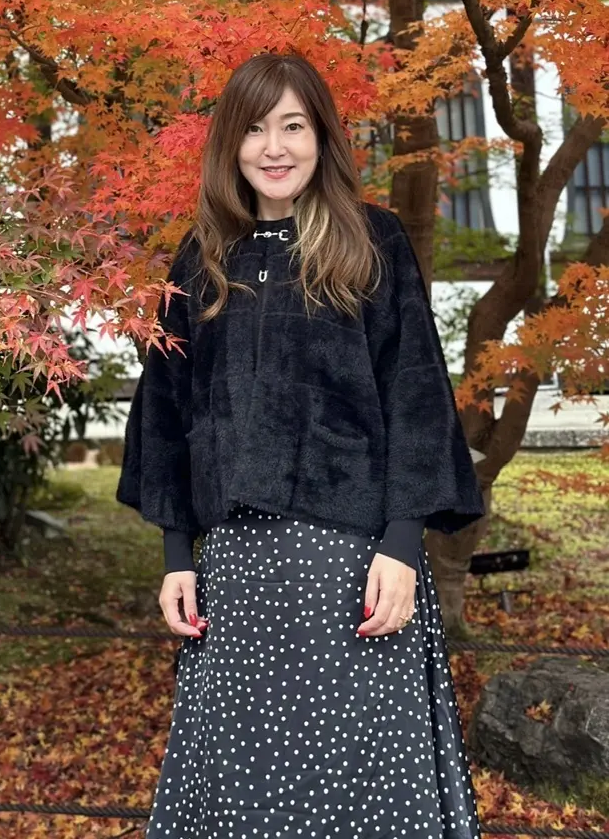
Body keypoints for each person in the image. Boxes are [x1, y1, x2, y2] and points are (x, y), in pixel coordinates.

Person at [116, 50, 486, 839]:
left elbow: (415, 397)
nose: (274, 147)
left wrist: (401, 543)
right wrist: (178, 554)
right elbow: (168, 414)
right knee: (241, 786)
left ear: (322, 137)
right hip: (237, 576)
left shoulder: (370, 242)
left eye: (293, 125)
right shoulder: (201, 259)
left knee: (358, 786)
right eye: (254, 129)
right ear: (229, 145)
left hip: (354, 569)